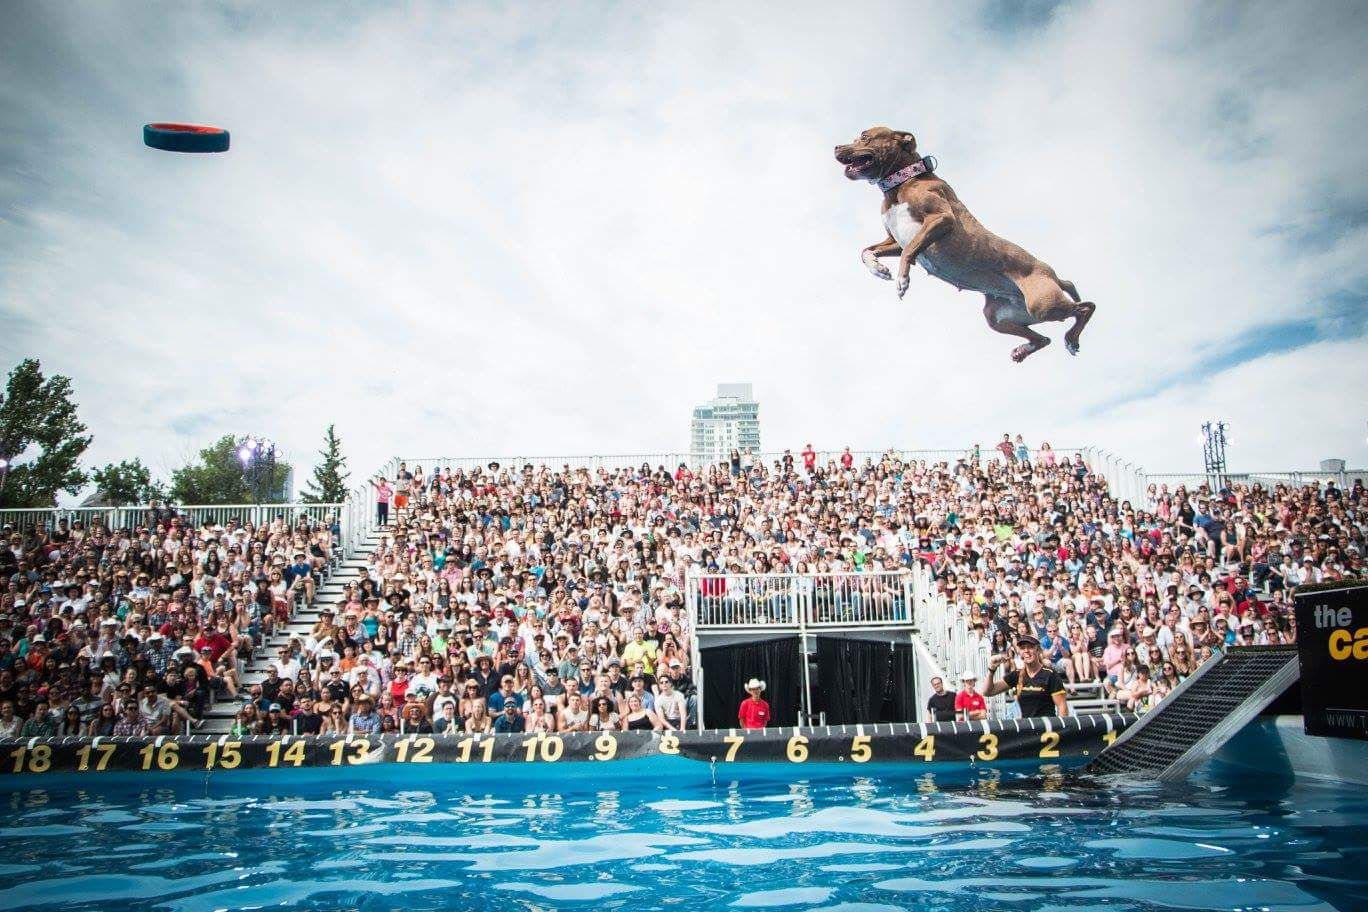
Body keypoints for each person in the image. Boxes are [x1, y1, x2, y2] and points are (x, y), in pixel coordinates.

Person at [982, 634, 1068, 718]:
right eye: (1023, 648)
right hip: (1027, 728)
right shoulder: (1017, 675)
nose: (1026, 651)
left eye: (1030, 647)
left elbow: (1062, 707)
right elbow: (988, 692)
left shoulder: (1050, 674)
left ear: (1037, 650)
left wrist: (1058, 731)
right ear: (1019, 652)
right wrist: (991, 669)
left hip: (1046, 729)